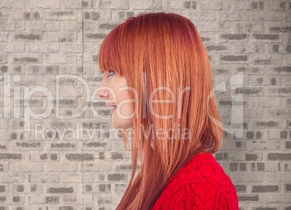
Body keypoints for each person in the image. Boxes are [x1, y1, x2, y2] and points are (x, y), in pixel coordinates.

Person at [96, 12, 239, 210]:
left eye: (111, 73)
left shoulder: (198, 190)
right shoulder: (161, 175)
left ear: (156, 77)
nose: (100, 91)